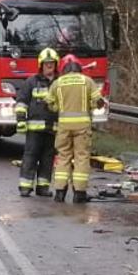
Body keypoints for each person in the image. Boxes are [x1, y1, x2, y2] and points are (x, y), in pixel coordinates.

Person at [49, 55, 101, 203]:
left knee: (63, 157)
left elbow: (49, 104)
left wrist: (60, 108)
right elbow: (98, 102)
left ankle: (59, 192)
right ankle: (79, 194)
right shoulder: (87, 81)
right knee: (81, 157)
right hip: (82, 127)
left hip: (64, 127)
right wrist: (89, 107)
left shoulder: (57, 83)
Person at [15, 48, 60, 197]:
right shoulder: (31, 82)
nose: (49, 66)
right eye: (46, 64)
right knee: (31, 156)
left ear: (56, 65)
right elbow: (21, 102)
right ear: (41, 65)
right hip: (34, 129)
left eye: (51, 64)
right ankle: (25, 186)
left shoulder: (59, 83)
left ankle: (43, 187)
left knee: (47, 159)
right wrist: (21, 120)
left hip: (52, 128)